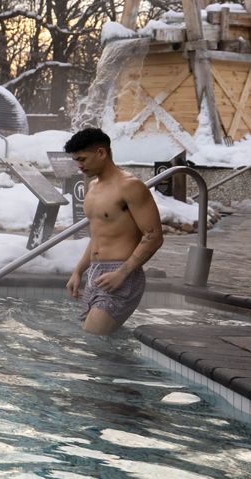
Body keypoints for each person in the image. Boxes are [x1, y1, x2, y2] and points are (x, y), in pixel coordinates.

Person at [64, 128, 163, 336]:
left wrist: (122, 273)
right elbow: (98, 234)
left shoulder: (130, 186)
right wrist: (79, 270)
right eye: (76, 160)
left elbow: (153, 237)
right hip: (96, 273)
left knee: (93, 340)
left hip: (122, 273)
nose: (79, 166)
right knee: (95, 342)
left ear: (101, 153)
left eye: (82, 159)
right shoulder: (92, 187)